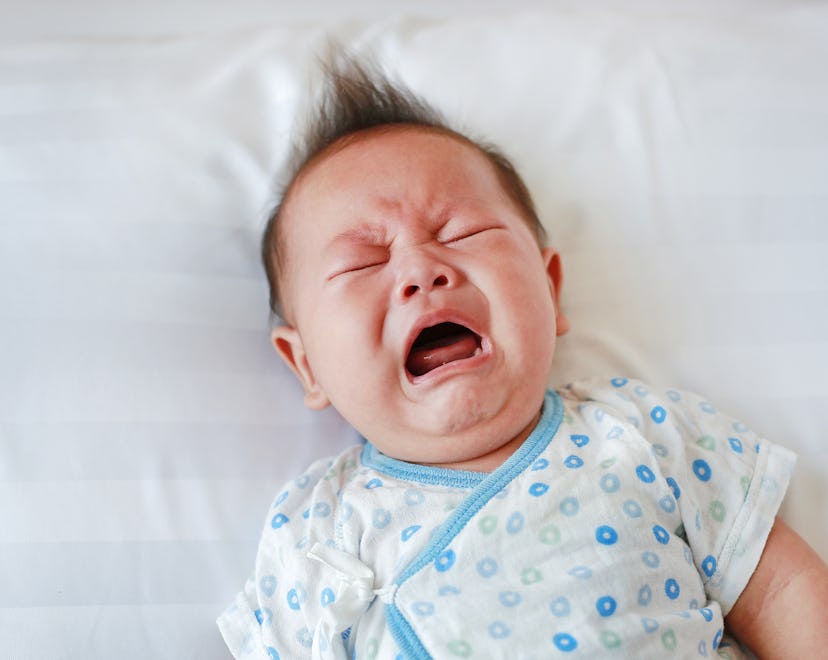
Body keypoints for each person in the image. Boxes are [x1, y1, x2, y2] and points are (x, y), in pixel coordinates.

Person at [218, 52, 828, 659]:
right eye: (364, 264)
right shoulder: (317, 528)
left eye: (463, 233)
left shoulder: (640, 432)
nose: (420, 270)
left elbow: (779, 591)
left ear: (550, 288)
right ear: (306, 364)